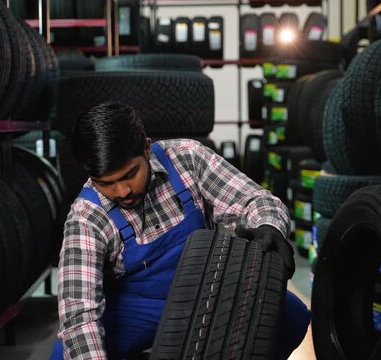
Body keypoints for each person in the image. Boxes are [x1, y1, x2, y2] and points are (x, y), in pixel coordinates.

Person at [51, 102, 310, 360]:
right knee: (64, 354)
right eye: (107, 184)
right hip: (136, 310)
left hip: (205, 289)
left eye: (130, 174)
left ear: (146, 147)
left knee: (290, 314)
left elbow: (253, 201)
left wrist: (267, 224)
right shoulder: (86, 218)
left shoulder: (187, 158)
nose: (122, 191)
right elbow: (79, 314)